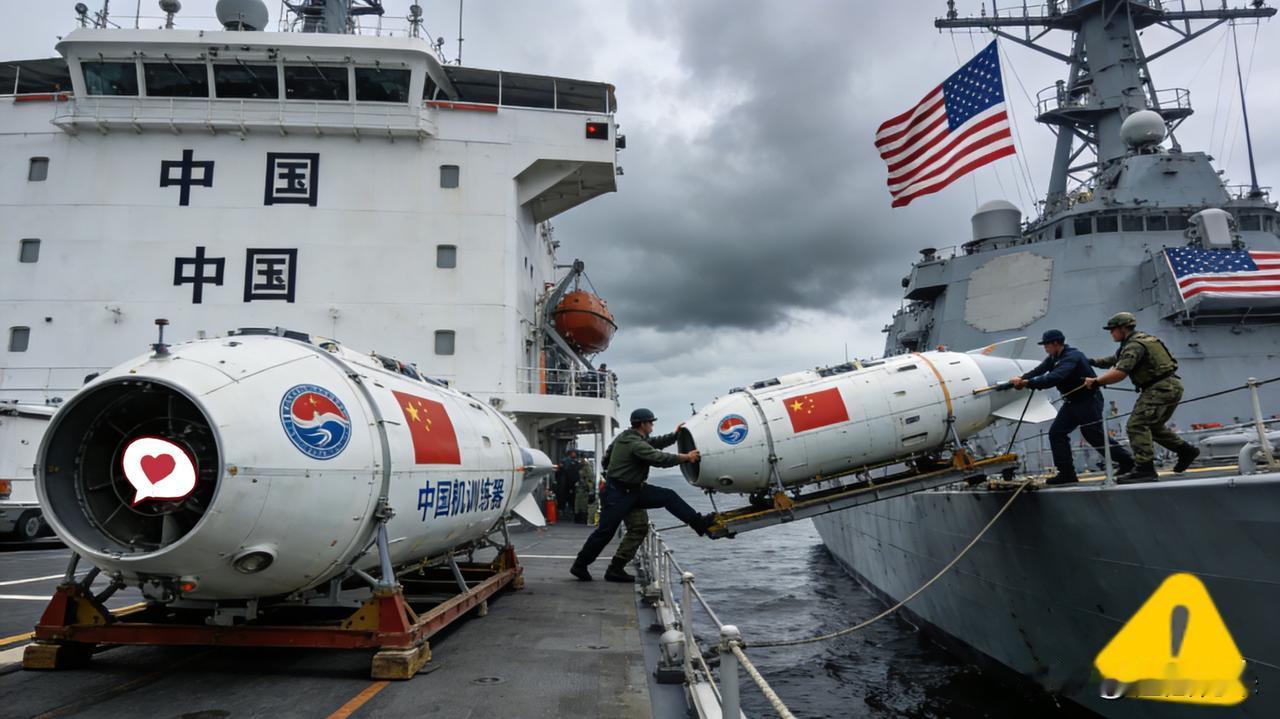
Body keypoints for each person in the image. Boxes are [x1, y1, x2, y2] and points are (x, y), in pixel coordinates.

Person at [571, 408, 715, 582]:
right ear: (642, 424)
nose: (652, 426)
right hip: (618, 494)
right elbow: (659, 459)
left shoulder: (626, 437)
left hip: (633, 490)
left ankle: (616, 568)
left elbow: (645, 445)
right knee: (605, 532)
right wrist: (686, 457)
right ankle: (580, 565)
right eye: (650, 423)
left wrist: (675, 435)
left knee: (665, 499)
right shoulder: (635, 443)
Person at [1084, 312, 1200, 483]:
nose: (1111, 333)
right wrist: (1090, 361)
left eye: (1113, 330)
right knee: (1154, 426)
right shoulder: (1140, 340)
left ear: (1123, 328)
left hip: (1159, 388)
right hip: (1170, 386)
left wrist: (1096, 382)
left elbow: (1120, 372)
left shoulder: (1134, 346)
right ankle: (1186, 451)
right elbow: (1113, 360)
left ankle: (1145, 469)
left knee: (1136, 425)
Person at [1011, 329, 1133, 484]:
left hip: (1088, 400)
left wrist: (1028, 383)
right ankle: (1067, 473)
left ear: (1056, 343)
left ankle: (1127, 462)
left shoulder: (1071, 356)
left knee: (1092, 434)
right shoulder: (1054, 357)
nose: (1045, 348)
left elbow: (1055, 377)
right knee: (1056, 433)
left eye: (1046, 345)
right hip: (1072, 402)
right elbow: (1039, 370)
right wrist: (1020, 378)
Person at [556, 450, 580, 517]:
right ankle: (570, 510)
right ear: (571, 454)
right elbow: (576, 473)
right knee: (571, 497)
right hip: (569, 483)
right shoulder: (573, 462)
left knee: (563, 497)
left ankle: (562, 510)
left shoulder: (564, 461)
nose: (575, 454)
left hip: (565, 483)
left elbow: (558, 472)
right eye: (574, 453)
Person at [573, 458, 595, 524]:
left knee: (583, 504)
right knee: (578, 504)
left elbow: (590, 478)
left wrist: (588, 486)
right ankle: (579, 518)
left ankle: (582, 518)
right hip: (580, 488)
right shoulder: (582, 468)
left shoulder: (587, 468)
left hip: (584, 489)